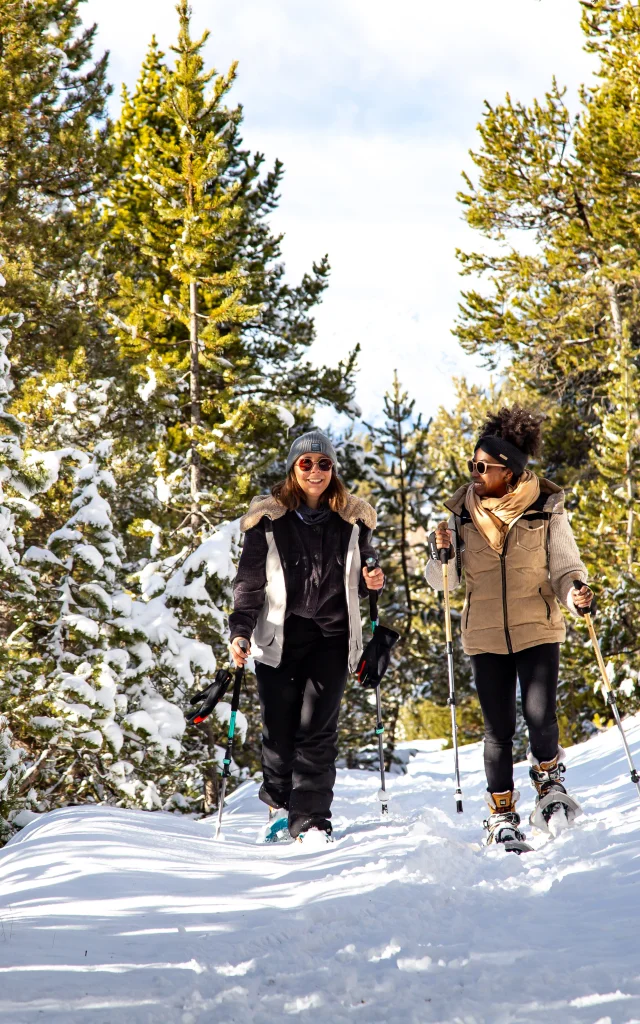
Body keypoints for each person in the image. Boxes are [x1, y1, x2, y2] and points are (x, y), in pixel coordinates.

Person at [426, 406, 594, 848]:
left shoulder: (545, 507)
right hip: (485, 635)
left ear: (509, 472)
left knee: (540, 718)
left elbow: (565, 567)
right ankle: (501, 815)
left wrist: (576, 590)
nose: (474, 473)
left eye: (483, 467)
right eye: (472, 465)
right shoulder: (461, 515)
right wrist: (438, 555)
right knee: (497, 730)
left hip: (537, 626)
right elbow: (445, 581)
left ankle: (551, 789)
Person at [228, 430, 384, 844]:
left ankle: (311, 819)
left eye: (324, 464)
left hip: (332, 637)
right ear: (293, 469)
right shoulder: (268, 521)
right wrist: (240, 631)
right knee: (279, 731)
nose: (315, 471)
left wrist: (374, 579)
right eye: (306, 463)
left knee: (318, 729)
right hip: (281, 636)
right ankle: (280, 804)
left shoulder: (352, 520)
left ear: (333, 471)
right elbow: (249, 584)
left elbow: (367, 570)